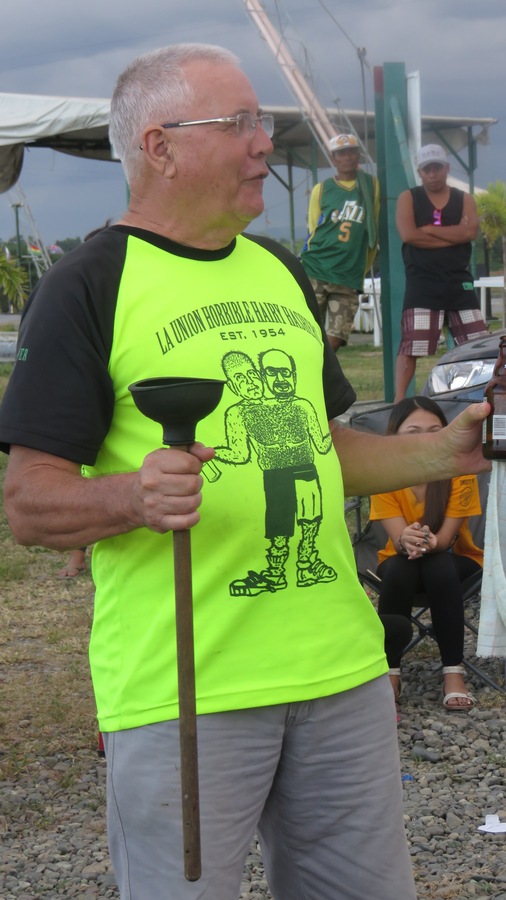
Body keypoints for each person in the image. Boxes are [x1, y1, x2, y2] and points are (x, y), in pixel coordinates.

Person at [0, 44, 491, 900]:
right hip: (185, 689)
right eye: (239, 123)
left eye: (262, 120)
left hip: (341, 668)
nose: (265, 142)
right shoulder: (90, 283)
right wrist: (133, 495)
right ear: (160, 146)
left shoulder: (279, 269)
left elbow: (323, 450)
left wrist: (441, 452)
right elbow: (30, 504)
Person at [369, 397, 484, 710]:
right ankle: (390, 673)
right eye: (413, 431)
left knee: (438, 564)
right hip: (400, 562)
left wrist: (429, 542)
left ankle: (453, 672)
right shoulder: (384, 474)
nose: (425, 439)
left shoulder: (460, 471)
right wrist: (407, 539)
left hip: (456, 561)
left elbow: (445, 540)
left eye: (434, 430)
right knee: (400, 567)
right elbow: (398, 538)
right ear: (394, 436)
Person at [395, 143, 488, 401]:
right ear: (420, 172)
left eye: (437, 168)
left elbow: (470, 233)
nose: (433, 174)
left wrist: (428, 230)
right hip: (422, 283)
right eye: (427, 169)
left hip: (458, 282)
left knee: (477, 345)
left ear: (446, 168)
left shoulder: (464, 199)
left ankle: (481, 396)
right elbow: (408, 235)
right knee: (411, 345)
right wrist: (454, 234)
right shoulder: (409, 198)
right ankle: (399, 401)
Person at [300, 132, 379, 351]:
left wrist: (363, 266)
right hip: (317, 268)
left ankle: (322, 364)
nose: (347, 157)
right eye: (341, 153)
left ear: (359, 155)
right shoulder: (322, 189)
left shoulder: (371, 187)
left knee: (337, 334)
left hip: (348, 274)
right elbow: (313, 229)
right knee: (307, 328)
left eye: (352, 152)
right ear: (333, 159)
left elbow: (375, 228)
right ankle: (314, 367)